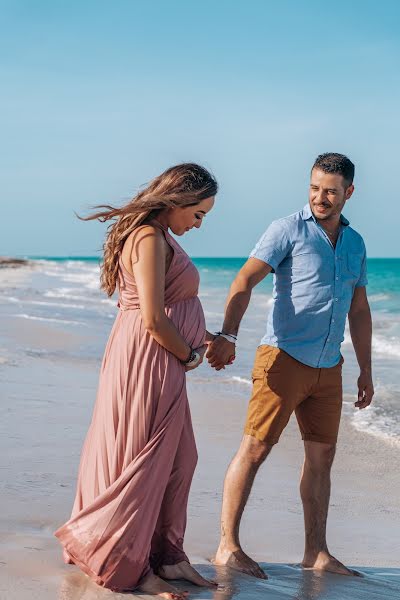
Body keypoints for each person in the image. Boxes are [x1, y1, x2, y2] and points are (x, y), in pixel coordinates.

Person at [207, 153, 374, 579]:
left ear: (348, 193)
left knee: (322, 459)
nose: (321, 197)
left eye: (331, 191)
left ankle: (315, 552)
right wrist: (227, 334)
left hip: (329, 366)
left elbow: (359, 309)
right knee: (256, 448)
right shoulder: (285, 230)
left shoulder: (355, 244)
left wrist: (366, 370)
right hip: (282, 359)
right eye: (315, 188)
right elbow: (244, 279)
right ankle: (227, 546)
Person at [55, 163, 219, 599]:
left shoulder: (159, 236)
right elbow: (151, 318)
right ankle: (129, 566)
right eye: (198, 213)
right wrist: (190, 355)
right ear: (179, 200)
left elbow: (163, 306)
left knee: (181, 458)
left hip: (157, 356)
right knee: (141, 461)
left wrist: (204, 337)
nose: (198, 224)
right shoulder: (148, 238)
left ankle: (169, 556)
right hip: (151, 358)